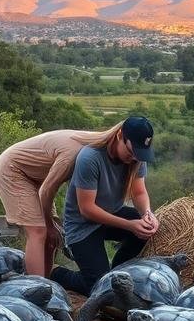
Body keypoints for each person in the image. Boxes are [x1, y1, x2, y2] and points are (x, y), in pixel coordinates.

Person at [49, 116, 159, 295]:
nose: (133, 158)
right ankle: (55, 272)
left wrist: (147, 213)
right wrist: (130, 225)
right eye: (130, 152)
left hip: (111, 215)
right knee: (98, 287)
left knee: (145, 228)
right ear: (120, 135)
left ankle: (117, 273)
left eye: (138, 155)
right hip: (82, 226)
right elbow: (87, 210)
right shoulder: (90, 157)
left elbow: (138, 192)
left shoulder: (137, 157)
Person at [0, 130, 106, 277]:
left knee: (53, 236)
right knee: (38, 232)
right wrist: (49, 224)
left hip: (38, 177)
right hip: (13, 170)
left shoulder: (93, 151)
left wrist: (53, 225)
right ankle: (34, 286)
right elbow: (45, 191)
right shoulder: (72, 155)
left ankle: (46, 282)